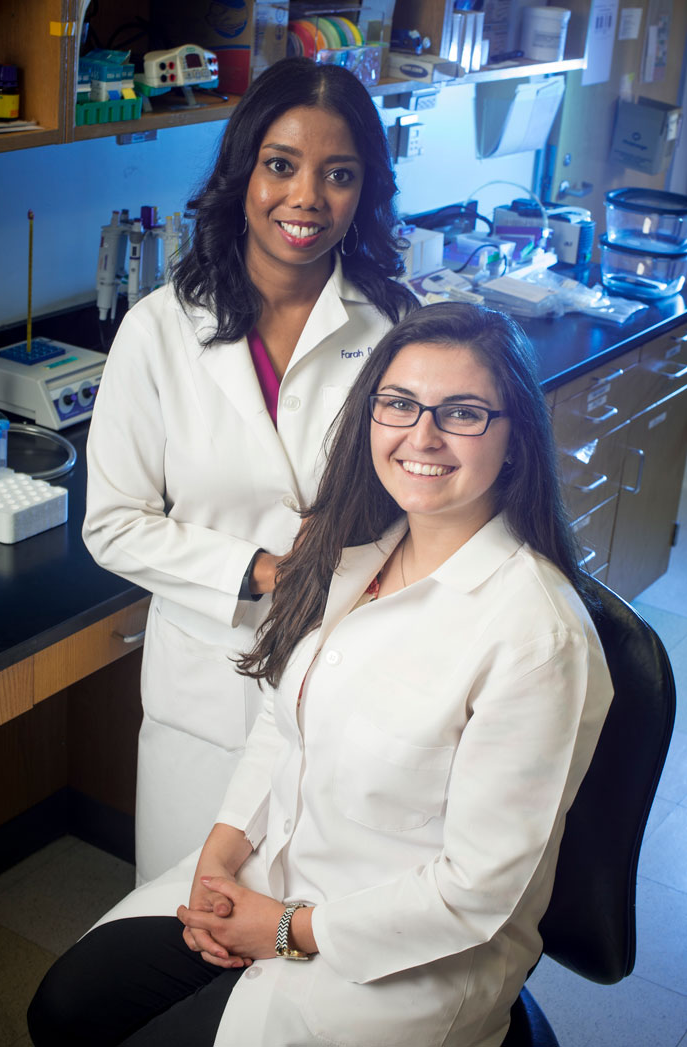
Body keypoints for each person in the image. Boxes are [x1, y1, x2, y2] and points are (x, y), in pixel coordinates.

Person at [31, 302, 613, 1047]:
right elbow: (284, 726)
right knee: (64, 1008)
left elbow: (477, 890)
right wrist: (223, 846)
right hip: (274, 882)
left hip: (398, 968)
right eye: (400, 403)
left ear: (518, 437)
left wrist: (284, 929)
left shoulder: (538, 638)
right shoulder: (359, 558)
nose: (422, 434)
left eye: (463, 413)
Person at [82, 57, 417, 882]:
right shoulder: (160, 330)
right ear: (242, 173)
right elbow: (113, 523)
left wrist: (372, 528)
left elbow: (432, 491)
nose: (306, 198)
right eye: (281, 166)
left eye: (339, 175)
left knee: (309, 948)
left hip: (351, 680)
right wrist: (264, 571)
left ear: (365, 189)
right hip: (206, 690)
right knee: (182, 926)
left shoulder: (398, 326)